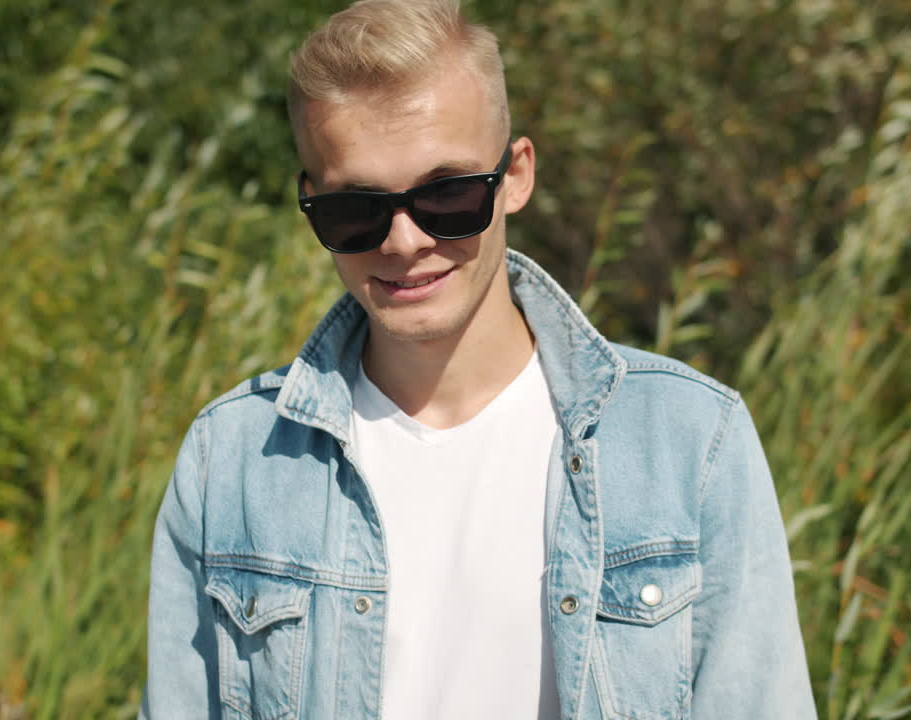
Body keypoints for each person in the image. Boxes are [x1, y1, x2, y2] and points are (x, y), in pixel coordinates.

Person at [139, 1, 816, 718]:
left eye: (448, 195)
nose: (403, 241)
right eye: (355, 210)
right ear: (309, 204)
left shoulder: (688, 443)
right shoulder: (234, 461)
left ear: (515, 176)